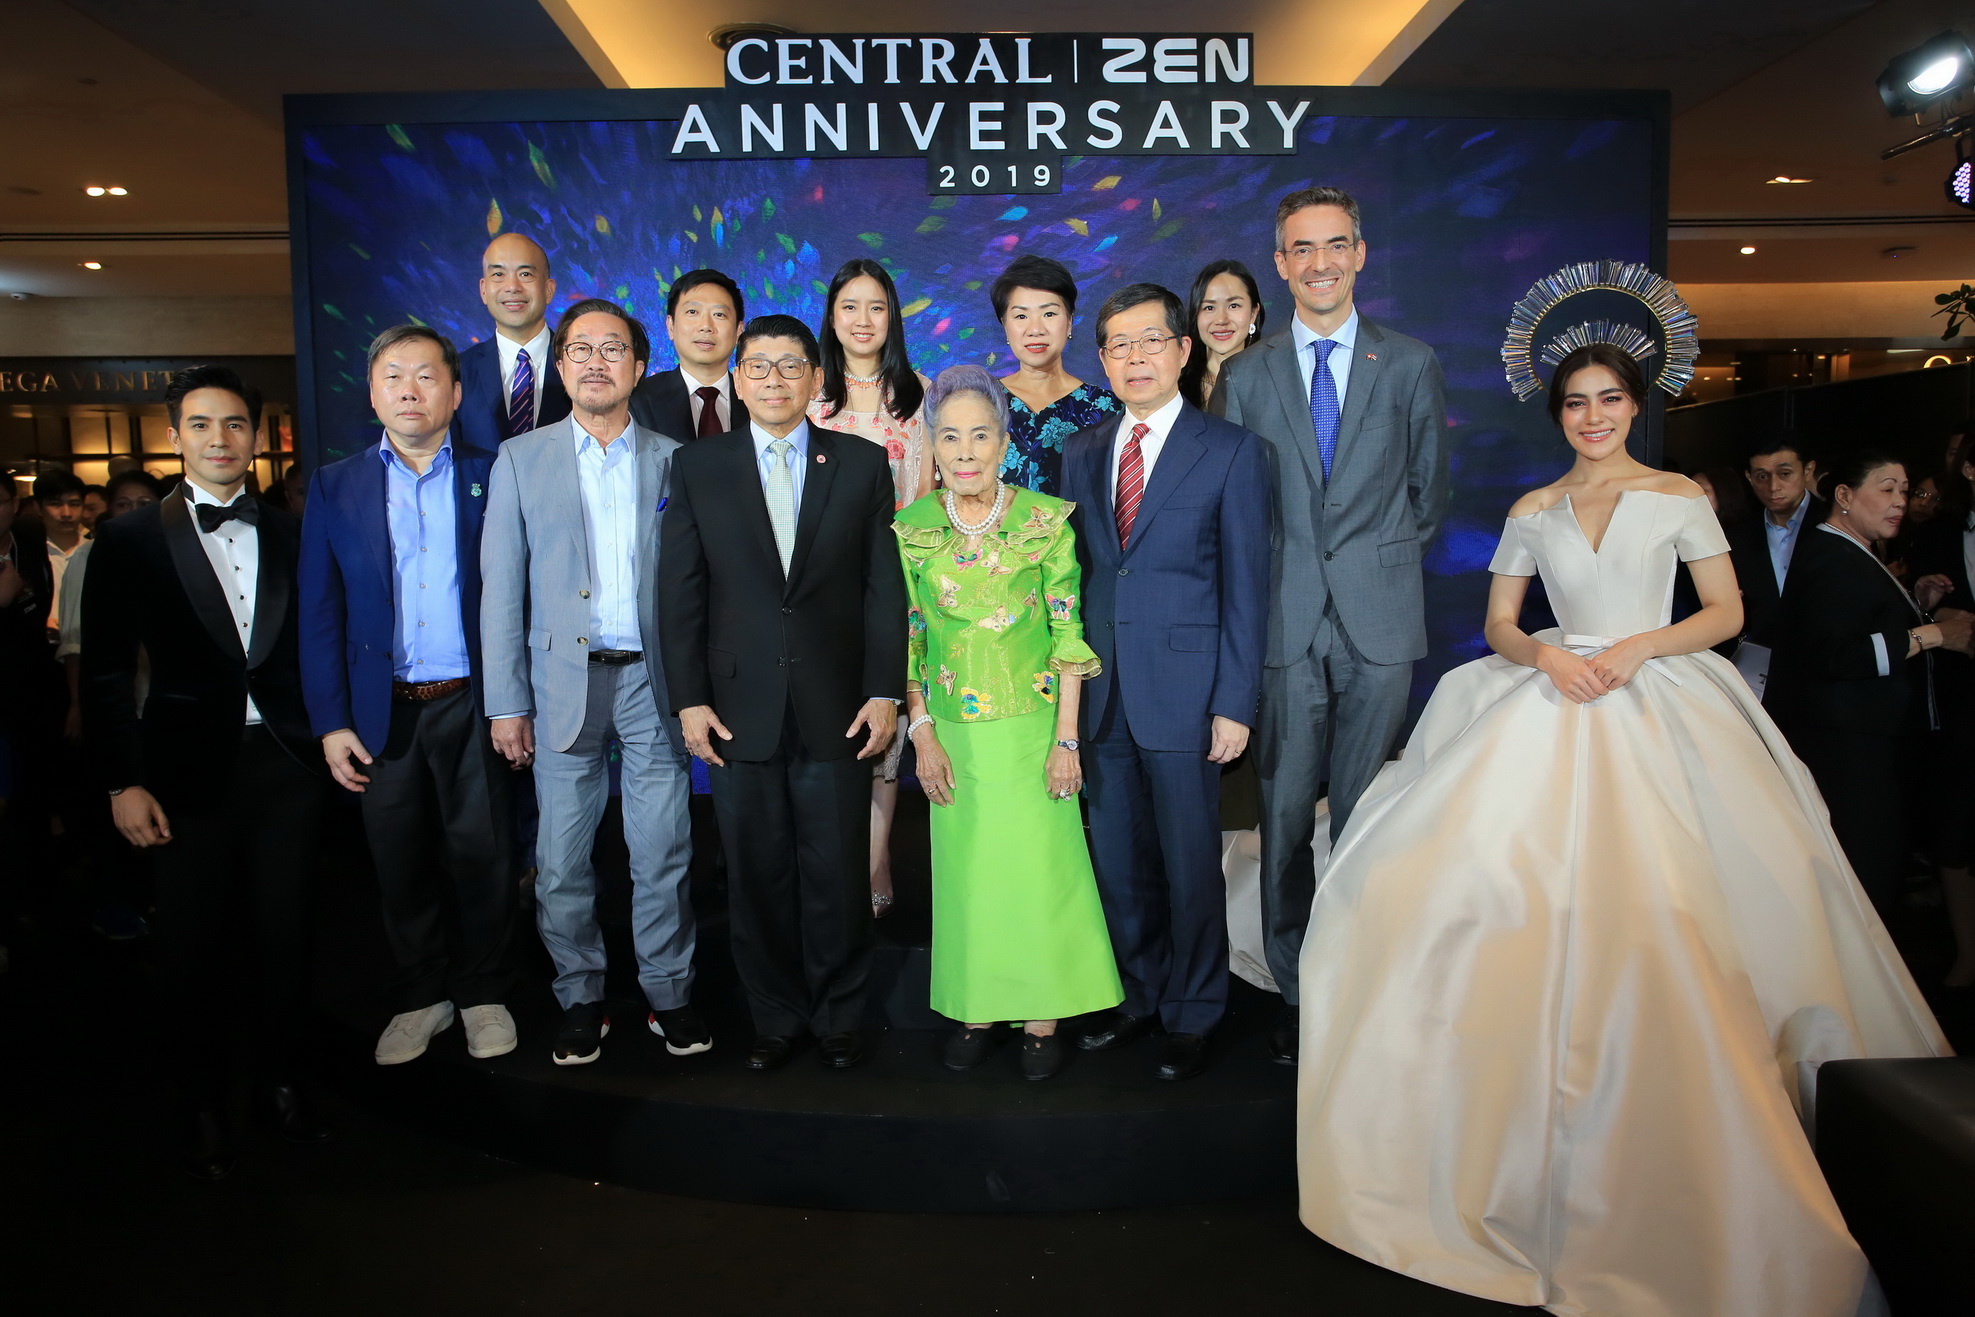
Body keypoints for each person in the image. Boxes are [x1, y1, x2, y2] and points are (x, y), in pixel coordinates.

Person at [1295, 345, 1951, 1317]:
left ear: (1635, 406)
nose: (1592, 415)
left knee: (1697, 893)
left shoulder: (1677, 494)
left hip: (1660, 692)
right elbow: (1503, 624)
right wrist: (1546, 660)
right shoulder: (1533, 507)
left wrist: (1642, 645)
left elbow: (1724, 611)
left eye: (1607, 399)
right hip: (1554, 691)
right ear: (1558, 413)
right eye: (1575, 402)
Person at [1210, 185, 1451, 1063]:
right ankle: (1295, 988)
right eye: (1301, 248)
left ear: (1359, 253)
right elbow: (1235, 511)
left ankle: (1360, 979)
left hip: (1379, 622)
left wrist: (1370, 565)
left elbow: (1429, 492)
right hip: (1282, 621)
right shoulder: (1246, 374)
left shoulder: (1410, 362)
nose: (1319, 263)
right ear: (1280, 263)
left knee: (1366, 815)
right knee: (1282, 818)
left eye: (1334, 244)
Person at [80, 365, 333, 1180]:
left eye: (233, 424)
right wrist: (122, 782)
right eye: (200, 424)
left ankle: (279, 1082)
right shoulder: (127, 539)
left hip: (287, 765)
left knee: (287, 937)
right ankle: (197, 1103)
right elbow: (106, 672)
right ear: (175, 435)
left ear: (256, 436)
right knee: (190, 949)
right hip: (182, 773)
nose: (219, 439)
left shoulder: (295, 531)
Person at [659, 314, 904, 1073]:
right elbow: (680, 593)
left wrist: (884, 691)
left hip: (839, 703)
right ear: (737, 379)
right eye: (758, 366)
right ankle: (774, 1016)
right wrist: (689, 699)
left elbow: (883, 589)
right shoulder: (699, 467)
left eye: (790, 365)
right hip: (738, 708)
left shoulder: (861, 463)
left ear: (815, 379)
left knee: (838, 870)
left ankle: (838, 1015)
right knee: (756, 872)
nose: (774, 380)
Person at [480, 298, 705, 1067]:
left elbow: (697, 586)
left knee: (663, 850)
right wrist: (507, 702)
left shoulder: (676, 458)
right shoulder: (520, 459)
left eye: (613, 349)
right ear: (561, 364)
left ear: (638, 367)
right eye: (581, 349)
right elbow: (501, 591)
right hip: (558, 685)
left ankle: (668, 994)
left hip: (653, 681)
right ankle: (579, 996)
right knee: (561, 859)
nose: (596, 362)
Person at [1058, 284, 1270, 1081]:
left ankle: (1194, 1009)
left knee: (1188, 867)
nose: (1135, 357)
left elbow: (1247, 587)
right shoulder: (1082, 451)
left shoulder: (1232, 451)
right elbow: (1071, 579)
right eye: (1118, 344)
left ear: (1183, 350)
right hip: (1100, 691)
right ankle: (1137, 994)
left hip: (1188, 693)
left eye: (1151, 340)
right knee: (1118, 865)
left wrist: (1233, 702)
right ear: (1102, 359)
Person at [300, 325, 518, 1066]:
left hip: (472, 699)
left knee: (483, 853)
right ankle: (422, 993)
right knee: (398, 858)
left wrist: (514, 699)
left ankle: (483, 989)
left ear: (455, 392)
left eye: (426, 376)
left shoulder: (495, 471)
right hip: (380, 709)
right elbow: (320, 611)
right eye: (393, 376)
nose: (409, 390)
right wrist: (330, 721)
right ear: (372, 393)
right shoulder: (335, 485)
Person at [898, 364, 1121, 1081]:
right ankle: (976, 1010)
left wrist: (1065, 741)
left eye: (980, 436)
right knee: (969, 879)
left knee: (1039, 876)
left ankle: (1043, 1016)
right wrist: (922, 733)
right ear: (933, 445)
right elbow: (910, 639)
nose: (965, 451)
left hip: (1033, 732)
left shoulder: (1044, 522)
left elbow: (1068, 633)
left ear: (1003, 442)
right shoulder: (911, 530)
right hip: (951, 738)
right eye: (950, 436)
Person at [1768, 451, 1975, 918]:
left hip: (1865, 748)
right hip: (1847, 754)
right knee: (1865, 878)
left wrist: (1915, 602)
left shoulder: (1852, 550)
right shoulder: (1830, 556)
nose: (1900, 500)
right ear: (1844, 495)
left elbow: (1860, 623)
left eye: (1904, 490)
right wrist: (1935, 634)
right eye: (1886, 489)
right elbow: (1839, 654)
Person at [809, 257, 932, 918]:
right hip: (820, 592)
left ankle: (877, 859)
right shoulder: (807, 393)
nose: (863, 320)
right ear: (831, 316)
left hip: (898, 585)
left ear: (893, 317)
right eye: (849, 306)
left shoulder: (920, 395)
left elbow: (930, 498)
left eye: (876, 306)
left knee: (888, 727)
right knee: (831, 727)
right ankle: (832, 864)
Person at [1913, 443, 1975, 986]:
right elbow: (1913, 616)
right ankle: (1967, 952)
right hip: (1959, 705)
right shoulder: (1936, 535)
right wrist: (1930, 606)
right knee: (1954, 828)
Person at [991, 253, 1120, 496]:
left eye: (1049, 314)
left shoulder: (1106, 408)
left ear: (1069, 322)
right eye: (1021, 316)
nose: (1035, 329)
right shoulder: (982, 401)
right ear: (1005, 326)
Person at [455, 233, 573, 450]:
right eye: (498, 274)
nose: (512, 286)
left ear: (548, 290)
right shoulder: (458, 371)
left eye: (525, 274)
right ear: (483, 290)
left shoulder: (579, 362)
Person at [630, 268, 751, 441]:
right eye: (692, 312)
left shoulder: (758, 397)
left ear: (739, 330)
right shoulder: (638, 400)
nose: (706, 326)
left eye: (719, 314)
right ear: (670, 326)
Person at [1728, 436, 1823, 650]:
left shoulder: (1834, 524)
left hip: (1825, 654)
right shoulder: (1737, 537)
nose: (1773, 486)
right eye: (1762, 476)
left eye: (1785, 474)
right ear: (1749, 477)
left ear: (1808, 471)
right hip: (1760, 656)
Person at [1179, 259, 1266, 409]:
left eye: (1233, 306)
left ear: (1253, 313)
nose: (1221, 320)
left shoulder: (1275, 381)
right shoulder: (1175, 385)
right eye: (1209, 308)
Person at [36, 471, 88, 638]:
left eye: (74, 504)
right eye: (55, 504)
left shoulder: (94, 551)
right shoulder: (30, 554)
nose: (66, 513)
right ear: (38, 507)